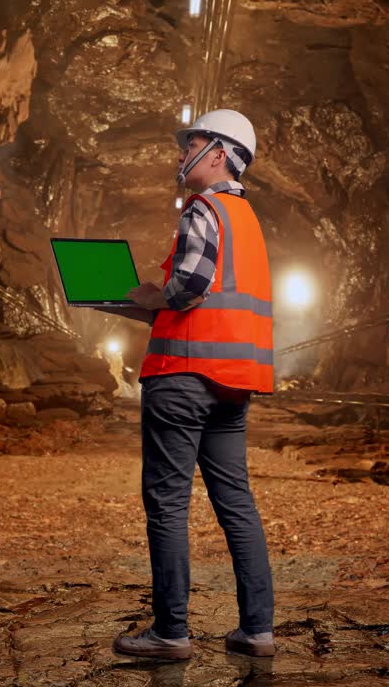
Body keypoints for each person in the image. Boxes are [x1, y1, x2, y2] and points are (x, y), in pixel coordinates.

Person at [112, 109, 277, 660]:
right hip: (231, 383)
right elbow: (221, 299)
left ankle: (171, 633)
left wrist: (148, 297)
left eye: (195, 143)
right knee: (235, 501)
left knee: (167, 502)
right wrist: (151, 308)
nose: (183, 153)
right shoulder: (247, 221)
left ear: (220, 154)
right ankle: (257, 631)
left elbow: (188, 288)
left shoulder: (203, 209)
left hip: (183, 378)